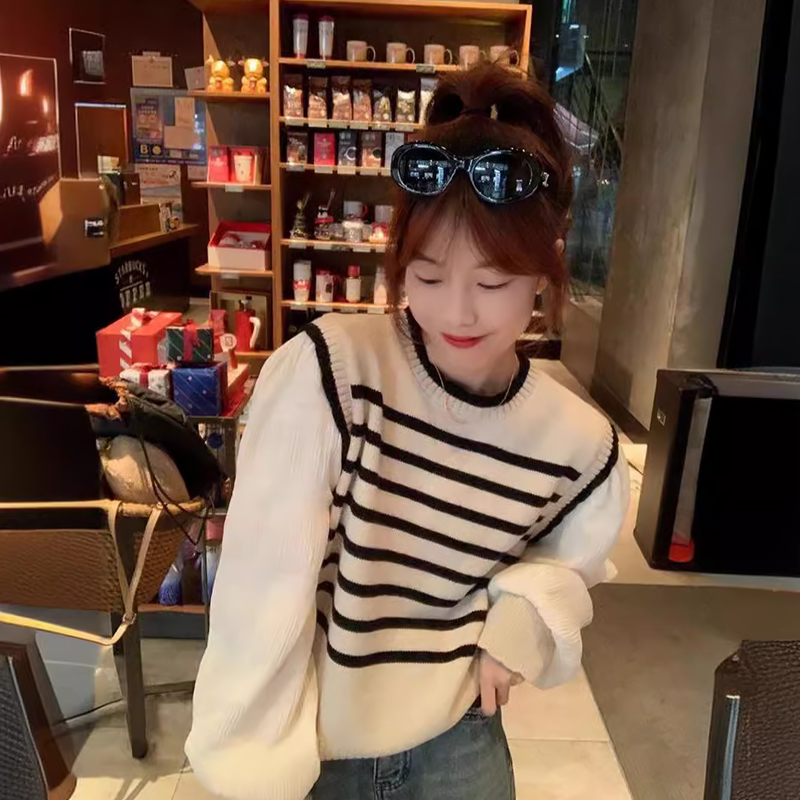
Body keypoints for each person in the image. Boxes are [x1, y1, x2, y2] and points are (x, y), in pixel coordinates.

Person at [185, 64, 630, 800]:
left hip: (462, 738)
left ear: (544, 273)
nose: (458, 312)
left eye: (492, 283)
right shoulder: (332, 373)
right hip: (320, 742)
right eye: (426, 277)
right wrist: (250, 767)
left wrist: (520, 624)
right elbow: (262, 589)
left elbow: (570, 561)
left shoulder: (580, 444)